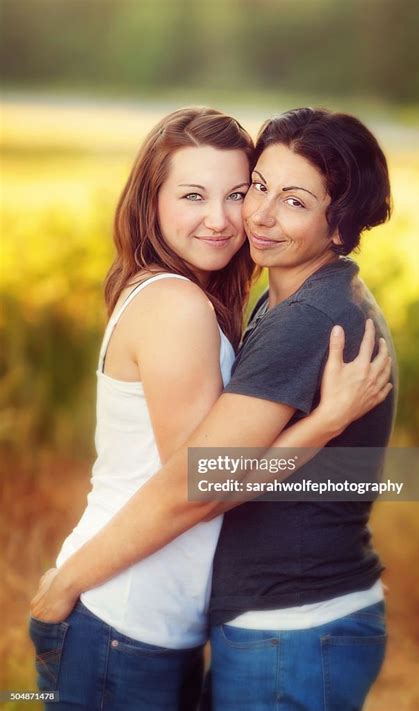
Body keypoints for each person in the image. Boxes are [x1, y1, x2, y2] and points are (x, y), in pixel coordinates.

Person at [30, 107, 391, 711]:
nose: (230, 219)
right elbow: (200, 485)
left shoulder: (240, 303)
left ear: (338, 225)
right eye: (194, 195)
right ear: (151, 201)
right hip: (123, 614)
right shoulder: (178, 304)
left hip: (152, 622)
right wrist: (325, 423)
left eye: (235, 192)